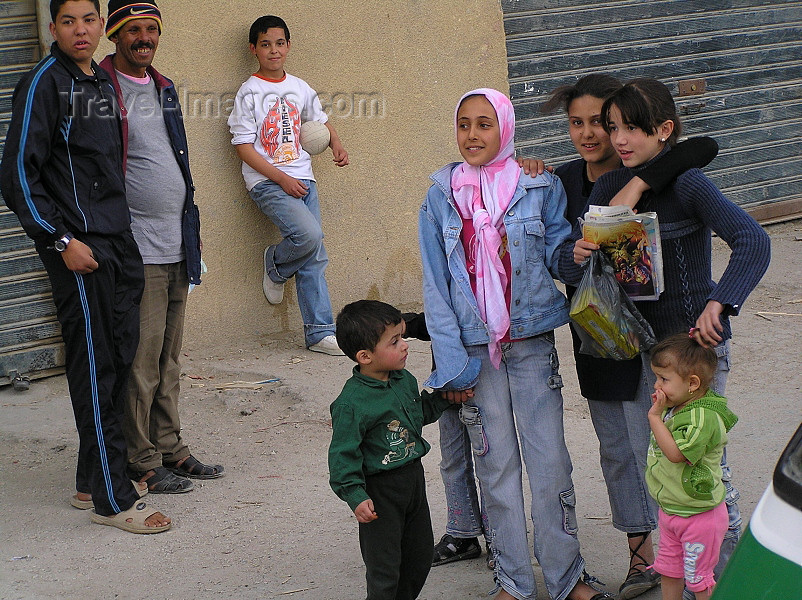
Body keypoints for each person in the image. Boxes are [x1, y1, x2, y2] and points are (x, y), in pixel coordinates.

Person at [562, 78, 771, 598]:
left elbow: (752, 240)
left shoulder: (690, 186)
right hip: (641, 356)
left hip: (694, 354)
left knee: (703, 464)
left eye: (631, 128)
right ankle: (679, 575)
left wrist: (720, 301)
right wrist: (575, 256)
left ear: (663, 131)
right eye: (615, 129)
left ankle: (728, 576)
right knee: (659, 462)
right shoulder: (609, 189)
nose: (620, 139)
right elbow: (570, 265)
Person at [418, 88, 611, 600]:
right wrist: (451, 365)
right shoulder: (440, 195)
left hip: (529, 342)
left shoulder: (537, 184)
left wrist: (579, 253)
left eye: (485, 124)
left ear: (504, 128)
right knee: (495, 465)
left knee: (550, 461)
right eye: (464, 124)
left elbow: (555, 254)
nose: (473, 135)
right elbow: (436, 287)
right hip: (475, 353)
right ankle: (513, 582)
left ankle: (567, 577)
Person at [538, 73, 719, 600]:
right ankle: (643, 557)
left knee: (659, 448)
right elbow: (556, 257)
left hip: (650, 338)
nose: (593, 133)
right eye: (580, 123)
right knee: (617, 450)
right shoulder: (564, 181)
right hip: (599, 335)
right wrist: (571, 259)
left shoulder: (649, 168)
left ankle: (688, 559)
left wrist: (638, 183)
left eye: (603, 121)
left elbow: (702, 145)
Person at [0, 0, 169, 533]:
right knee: (96, 367)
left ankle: (89, 479)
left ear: (102, 27)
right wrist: (60, 239)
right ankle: (113, 500)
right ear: (53, 28)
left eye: (88, 20)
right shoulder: (43, 83)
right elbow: (17, 177)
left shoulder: (99, 81)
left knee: (117, 359)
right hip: (80, 249)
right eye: (68, 21)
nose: (80, 30)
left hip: (118, 242)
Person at [98, 0, 224, 493]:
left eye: (151, 29)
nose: (144, 38)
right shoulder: (101, 89)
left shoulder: (164, 87)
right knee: (141, 359)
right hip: (137, 249)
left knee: (169, 358)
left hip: (177, 241)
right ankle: (142, 458)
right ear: (115, 35)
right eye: (133, 30)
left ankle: (171, 446)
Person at [228, 15, 349, 356]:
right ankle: (277, 265)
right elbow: (242, 146)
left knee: (314, 253)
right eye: (265, 44)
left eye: (279, 43)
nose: (273, 50)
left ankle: (320, 332)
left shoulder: (299, 86)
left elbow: (320, 121)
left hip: (304, 178)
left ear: (288, 46)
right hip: (268, 182)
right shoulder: (249, 92)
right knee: (310, 237)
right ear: (254, 49)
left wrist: (336, 144)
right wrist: (281, 178)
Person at [328, 300, 463, 600]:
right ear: (364, 356)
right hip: (381, 494)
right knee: (385, 568)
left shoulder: (403, 380)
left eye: (403, 337)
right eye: (394, 341)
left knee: (419, 555)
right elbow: (342, 456)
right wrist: (354, 494)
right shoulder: (352, 404)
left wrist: (446, 398)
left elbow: (418, 415)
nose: (404, 346)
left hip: (413, 482)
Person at [646, 333, 738, 600]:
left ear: (692, 383)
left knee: (699, 580)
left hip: (700, 517)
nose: (657, 385)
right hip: (673, 510)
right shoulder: (677, 406)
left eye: (664, 379)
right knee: (670, 571)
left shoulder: (702, 417)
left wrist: (654, 417)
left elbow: (675, 454)